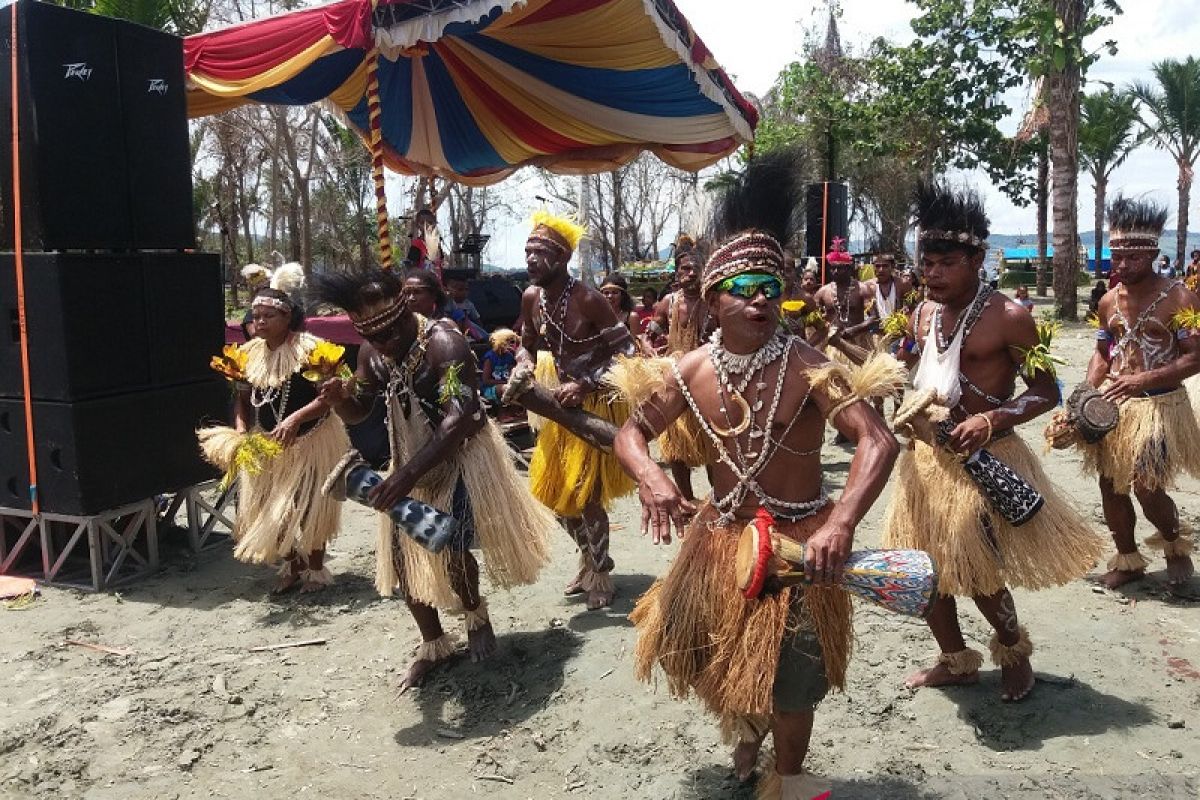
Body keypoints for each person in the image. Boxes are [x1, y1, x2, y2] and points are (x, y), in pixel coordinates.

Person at [615, 150, 902, 799]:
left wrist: (843, 524)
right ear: (713, 299)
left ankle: (791, 779)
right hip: (723, 545)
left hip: (801, 550)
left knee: (795, 685)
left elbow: (877, 442)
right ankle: (746, 734)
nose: (759, 302)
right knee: (716, 656)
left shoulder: (807, 362)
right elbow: (631, 434)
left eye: (771, 289)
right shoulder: (689, 370)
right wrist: (652, 477)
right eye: (744, 290)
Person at [884, 181, 1103, 703]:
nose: (931, 273)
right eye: (926, 262)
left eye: (945, 262)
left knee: (977, 566)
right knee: (925, 566)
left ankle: (1014, 651)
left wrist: (992, 420)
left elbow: (1048, 390)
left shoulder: (1010, 317)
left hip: (984, 460)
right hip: (926, 459)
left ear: (977, 258)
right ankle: (955, 659)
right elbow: (912, 369)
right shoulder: (920, 314)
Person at [312, 267, 555, 689]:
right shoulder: (371, 354)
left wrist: (405, 476)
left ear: (406, 311)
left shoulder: (444, 344)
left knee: (451, 545)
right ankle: (433, 643)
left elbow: (459, 418)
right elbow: (362, 409)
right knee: (404, 559)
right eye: (375, 337)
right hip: (410, 457)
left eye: (390, 333)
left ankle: (475, 614)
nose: (385, 344)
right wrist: (341, 401)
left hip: (460, 456)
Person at [199, 265, 351, 594]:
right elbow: (242, 399)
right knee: (268, 506)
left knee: (312, 504)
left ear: (288, 318)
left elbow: (330, 397)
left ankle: (314, 568)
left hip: (314, 438)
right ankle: (291, 562)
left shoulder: (312, 350)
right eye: (256, 316)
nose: (260, 322)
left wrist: (296, 419)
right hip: (266, 441)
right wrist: (240, 432)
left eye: (268, 316)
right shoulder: (246, 354)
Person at [516, 210, 637, 610]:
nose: (531, 260)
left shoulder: (589, 298)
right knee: (553, 497)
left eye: (540, 253)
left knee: (587, 496)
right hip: (558, 403)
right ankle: (589, 559)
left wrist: (586, 383)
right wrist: (524, 364)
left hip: (596, 401)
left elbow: (627, 351)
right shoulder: (532, 297)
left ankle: (601, 573)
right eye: (528, 251)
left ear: (562, 259)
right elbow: (527, 343)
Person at [1077, 196, 1200, 588]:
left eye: (1132, 258)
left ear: (1152, 253)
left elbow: (1195, 358)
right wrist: (1083, 393)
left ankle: (1174, 546)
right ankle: (1128, 561)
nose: (1122, 265)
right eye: (1117, 256)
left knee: (1148, 486)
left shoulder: (1180, 297)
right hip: (1115, 406)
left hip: (1160, 405)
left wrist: (1144, 380)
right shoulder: (1108, 300)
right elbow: (1102, 353)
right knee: (1111, 485)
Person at [640, 233, 715, 502]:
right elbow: (647, 336)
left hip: (707, 378)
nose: (691, 272)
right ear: (677, 271)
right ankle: (685, 499)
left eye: (697, 267)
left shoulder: (714, 302)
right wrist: (650, 350)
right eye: (685, 268)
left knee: (713, 446)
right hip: (675, 378)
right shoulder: (669, 303)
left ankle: (718, 500)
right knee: (675, 447)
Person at [814, 239, 877, 365]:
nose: (836, 271)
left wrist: (853, 330)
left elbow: (874, 318)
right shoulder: (822, 292)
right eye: (833, 268)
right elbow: (813, 320)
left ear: (849, 269)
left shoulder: (863, 289)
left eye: (840, 268)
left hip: (859, 344)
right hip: (832, 346)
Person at [864, 249, 912, 321]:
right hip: (875, 329)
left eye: (885, 266)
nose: (881, 270)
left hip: (898, 328)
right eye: (877, 266)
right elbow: (868, 312)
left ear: (892, 267)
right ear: (873, 267)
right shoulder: (868, 286)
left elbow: (913, 308)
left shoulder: (903, 284)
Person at [481, 328, 519, 405]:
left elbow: (512, 370)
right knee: (506, 388)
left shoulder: (509, 356)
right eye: (510, 342)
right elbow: (486, 380)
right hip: (490, 389)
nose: (513, 345)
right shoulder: (490, 358)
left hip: (507, 384)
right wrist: (505, 382)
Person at [444, 275, 487, 341]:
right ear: (450, 290)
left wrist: (480, 329)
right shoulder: (448, 302)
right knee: (459, 313)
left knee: (469, 322)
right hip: (450, 328)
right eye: (460, 289)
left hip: (467, 329)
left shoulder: (469, 304)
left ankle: (482, 337)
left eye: (466, 289)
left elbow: (477, 319)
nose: (464, 292)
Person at [405, 208, 444, 273]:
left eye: (430, 222)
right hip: (423, 281)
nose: (427, 226)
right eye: (423, 223)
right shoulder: (417, 244)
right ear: (417, 225)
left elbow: (441, 264)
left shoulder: (437, 244)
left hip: (437, 281)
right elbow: (412, 268)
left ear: (434, 224)